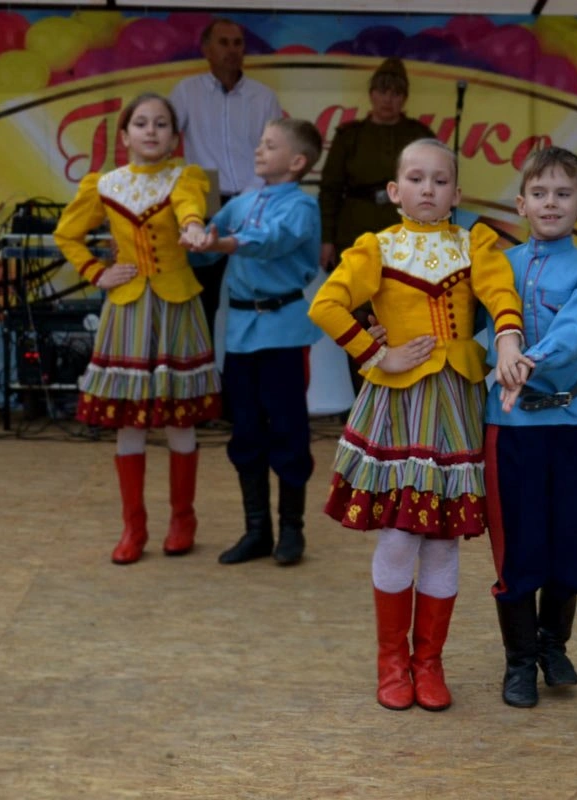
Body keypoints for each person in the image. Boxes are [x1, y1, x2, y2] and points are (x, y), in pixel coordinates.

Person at [308, 138, 526, 712]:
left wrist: (508, 338)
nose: (428, 189)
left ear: (456, 193)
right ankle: (392, 663)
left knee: (444, 539)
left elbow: (501, 293)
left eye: (440, 180)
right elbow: (326, 304)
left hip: (455, 402)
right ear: (394, 190)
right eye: (416, 178)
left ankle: (429, 662)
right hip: (398, 406)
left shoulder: (475, 243)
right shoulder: (376, 247)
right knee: (401, 533)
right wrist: (377, 354)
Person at [53, 93, 221, 565]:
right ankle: (134, 527)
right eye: (142, 123)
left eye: (161, 123)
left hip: (176, 306)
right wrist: (97, 272)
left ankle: (182, 519)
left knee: (179, 417)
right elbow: (67, 233)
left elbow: (190, 208)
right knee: (129, 420)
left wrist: (193, 227)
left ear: (174, 136)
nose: (151, 130)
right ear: (125, 135)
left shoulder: (185, 177)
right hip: (127, 310)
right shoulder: (105, 184)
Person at [484, 146, 577, 709]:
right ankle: (518, 662)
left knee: (571, 536)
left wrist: (524, 361)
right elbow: (460, 321)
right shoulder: (497, 268)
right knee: (517, 541)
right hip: (510, 425)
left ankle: (552, 645)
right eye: (539, 193)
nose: (551, 203)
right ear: (521, 204)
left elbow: (575, 329)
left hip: (573, 422)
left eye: (564, 194)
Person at [181, 118, 324, 568]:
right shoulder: (242, 202)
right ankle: (257, 529)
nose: (259, 150)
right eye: (260, 143)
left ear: (297, 161)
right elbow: (207, 243)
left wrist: (222, 243)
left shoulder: (302, 207)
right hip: (240, 334)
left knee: (288, 426)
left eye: (270, 145)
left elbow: (270, 242)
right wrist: (195, 237)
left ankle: (292, 528)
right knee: (245, 427)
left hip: (283, 332)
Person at [317, 57, 435, 396]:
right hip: (355, 232)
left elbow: (436, 187)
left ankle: (405, 393)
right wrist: (327, 239)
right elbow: (330, 190)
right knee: (357, 316)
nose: (388, 99)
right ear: (371, 94)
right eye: (382, 91)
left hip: (408, 235)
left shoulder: (418, 136)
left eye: (396, 93)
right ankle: (363, 398)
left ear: (405, 97)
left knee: (405, 311)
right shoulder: (350, 136)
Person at [170, 18, 284, 363]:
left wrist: (250, 195)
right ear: (206, 49)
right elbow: (163, 142)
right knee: (203, 298)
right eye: (223, 43)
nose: (232, 50)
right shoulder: (186, 92)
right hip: (207, 204)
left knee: (255, 298)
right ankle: (201, 381)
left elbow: (276, 153)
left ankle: (248, 387)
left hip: (255, 201)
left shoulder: (263, 97)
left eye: (237, 43)